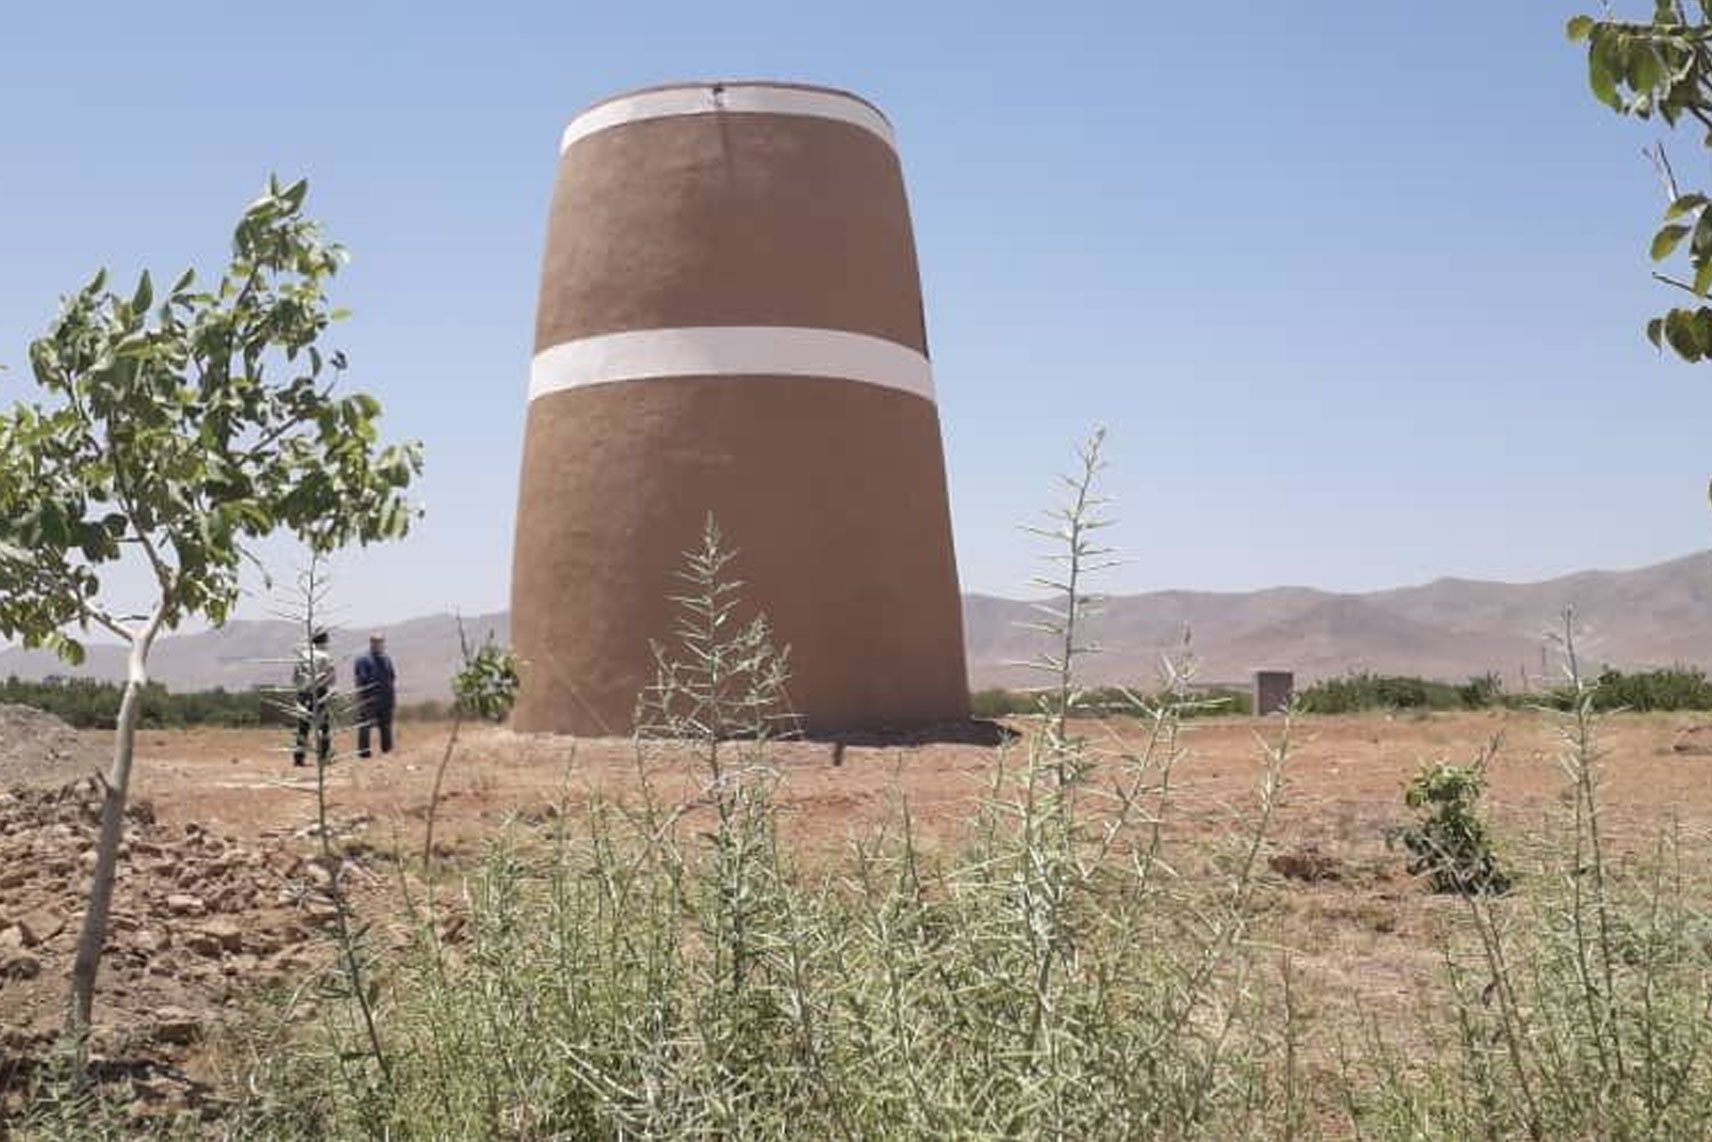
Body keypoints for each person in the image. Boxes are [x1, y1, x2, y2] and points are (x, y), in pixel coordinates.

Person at [292, 629, 335, 766]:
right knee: (323, 726)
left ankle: (299, 757)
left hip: (303, 693)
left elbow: (295, 678)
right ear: (324, 641)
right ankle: (323, 757)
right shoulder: (325, 656)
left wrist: (301, 689)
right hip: (320, 693)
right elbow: (331, 678)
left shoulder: (303, 655)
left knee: (303, 727)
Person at [354, 631, 397, 758]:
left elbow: (392, 677)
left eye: (381, 642)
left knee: (386, 725)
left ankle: (387, 750)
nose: (378, 644)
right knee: (365, 726)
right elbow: (360, 680)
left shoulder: (387, 659)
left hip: (386, 698)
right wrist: (361, 698)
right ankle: (364, 752)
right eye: (376, 642)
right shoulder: (363, 659)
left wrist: (392, 697)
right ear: (371, 643)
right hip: (369, 698)